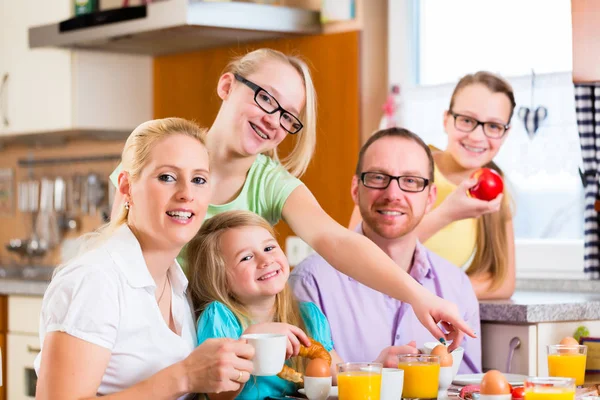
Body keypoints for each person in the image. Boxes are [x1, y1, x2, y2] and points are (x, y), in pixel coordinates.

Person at [108, 48, 475, 344]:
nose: (273, 119)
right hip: (143, 338)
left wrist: (418, 296)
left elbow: (336, 239)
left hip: (218, 355)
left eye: (288, 117)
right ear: (226, 86)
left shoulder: (270, 183)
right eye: (266, 98)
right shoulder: (165, 150)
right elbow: (117, 241)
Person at [35, 118, 255, 400]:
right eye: (167, 177)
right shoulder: (94, 280)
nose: (187, 193)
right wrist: (185, 376)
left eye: (199, 179)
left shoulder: (176, 284)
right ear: (126, 187)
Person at [294, 127, 482, 374]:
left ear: (430, 198)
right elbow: (301, 387)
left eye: (411, 181)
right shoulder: (310, 283)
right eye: (378, 177)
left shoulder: (456, 285)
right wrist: (372, 373)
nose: (393, 194)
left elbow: (469, 388)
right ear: (355, 189)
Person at [186, 210, 417, 399]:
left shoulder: (307, 316)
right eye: (246, 257)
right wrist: (252, 339)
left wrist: (374, 366)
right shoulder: (219, 318)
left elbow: (335, 373)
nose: (266, 260)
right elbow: (219, 395)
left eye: (269, 248)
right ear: (221, 279)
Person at [349, 71, 516, 300]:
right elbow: (355, 258)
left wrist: (433, 292)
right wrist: (446, 214)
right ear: (446, 119)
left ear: (506, 134)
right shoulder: (403, 167)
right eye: (467, 120)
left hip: (429, 324)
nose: (478, 136)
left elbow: (502, 282)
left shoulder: (495, 189)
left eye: (494, 126)